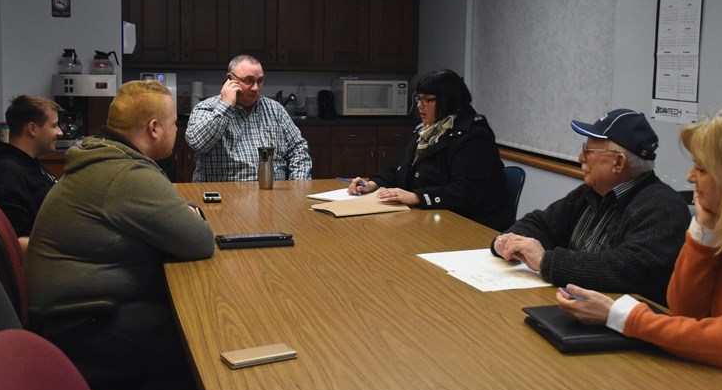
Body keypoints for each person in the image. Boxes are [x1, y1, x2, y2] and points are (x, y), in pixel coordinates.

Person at [26, 80, 214, 390]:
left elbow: (173, 216)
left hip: (78, 309)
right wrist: (190, 216)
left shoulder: (106, 156)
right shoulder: (125, 174)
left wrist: (183, 214)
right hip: (84, 322)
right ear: (154, 128)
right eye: (174, 123)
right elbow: (198, 241)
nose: (177, 129)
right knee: (204, 343)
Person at [557, 108, 722, 370]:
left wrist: (621, 316)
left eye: (701, 168)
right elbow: (686, 311)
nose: (690, 177)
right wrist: (704, 232)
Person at [491, 109, 690, 304]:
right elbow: (541, 223)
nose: (580, 157)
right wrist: (508, 240)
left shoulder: (663, 207)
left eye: (588, 151)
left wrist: (545, 261)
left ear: (618, 163)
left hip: (622, 321)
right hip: (572, 303)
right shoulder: (592, 192)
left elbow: (629, 270)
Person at [347, 69, 515, 231]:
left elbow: (465, 191)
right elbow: (402, 168)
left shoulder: (474, 136)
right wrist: (373, 183)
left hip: (471, 224)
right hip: (432, 217)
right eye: (418, 99)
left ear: (448, 101)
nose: (420, 105)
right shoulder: (426, 130)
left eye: (427, 100)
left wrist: (417, 197)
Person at [185, 54, 312, 181]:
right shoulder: (207, 108)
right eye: (249, 80)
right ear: (230, 79)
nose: (256, 88)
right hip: (226, 195)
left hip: (274, 195)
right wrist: (225, 106)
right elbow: (197, 143)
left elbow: (298, 149)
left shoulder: (276, 110)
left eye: (260, 81)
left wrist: (298, 185)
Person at [0, 95, 63, 251]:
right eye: (54, 126)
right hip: (40, 266)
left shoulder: (29, 163)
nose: (60, 132)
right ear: (32, 129)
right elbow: (13, 243)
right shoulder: (5, 174)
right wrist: (72, 247)